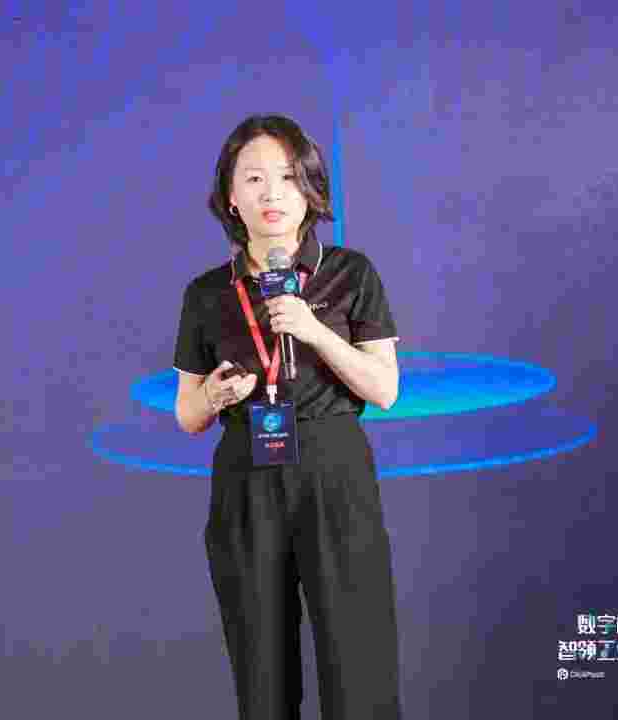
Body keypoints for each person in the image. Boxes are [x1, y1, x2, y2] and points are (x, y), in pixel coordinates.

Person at [172, 114, 403, 720]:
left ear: (310, 189)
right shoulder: (206, 293)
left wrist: (315, 331)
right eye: (253, 178)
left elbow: (385, 390)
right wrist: (215, 395)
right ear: (231, 196)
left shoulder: (350, 272)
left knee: (358, 657)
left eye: (287, 177)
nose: (271, 193)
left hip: (334, 470)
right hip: (247, 475)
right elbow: (187, 414)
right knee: (261, 667)